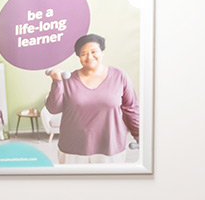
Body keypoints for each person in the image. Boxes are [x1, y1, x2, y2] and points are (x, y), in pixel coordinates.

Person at [43, 33, 140, 164]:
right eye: (83, 54)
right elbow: (53, 109)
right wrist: (57, 81)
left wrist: (139, 135)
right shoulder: (68, 80)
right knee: (74, 184)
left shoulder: (120, 77)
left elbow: (131, 109)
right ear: (79, 57)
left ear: (102, 52)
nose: (89, 56)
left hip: (110, 148)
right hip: (73, 149)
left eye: (94, 51)